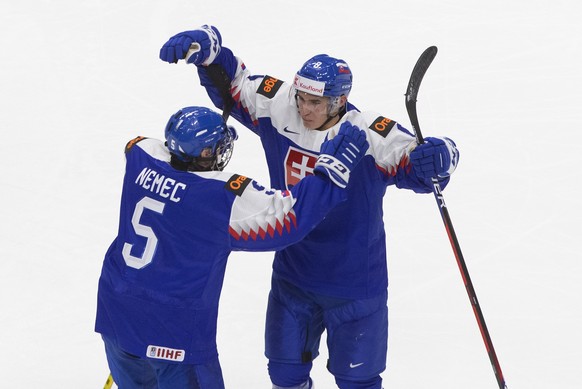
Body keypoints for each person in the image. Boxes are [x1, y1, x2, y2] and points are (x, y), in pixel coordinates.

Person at [159, 26, 460, 389]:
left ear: (340, 100)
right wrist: (210, 53)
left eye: (316, 103)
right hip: (294, 277)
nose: (305, 108)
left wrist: (441, 156)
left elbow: (419, 164)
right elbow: (233, 86)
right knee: (284, 375)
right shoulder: (280, 103)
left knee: (359, 382)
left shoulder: (369, 134)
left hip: (354, 284)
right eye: (302, 98)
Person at [94, 105, 369, 389]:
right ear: (205, 154)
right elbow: (289, 218)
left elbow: (142, 147)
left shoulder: (140, 155)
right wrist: (330, 173)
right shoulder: (218, 198)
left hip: (116, 314)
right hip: (173, 331)